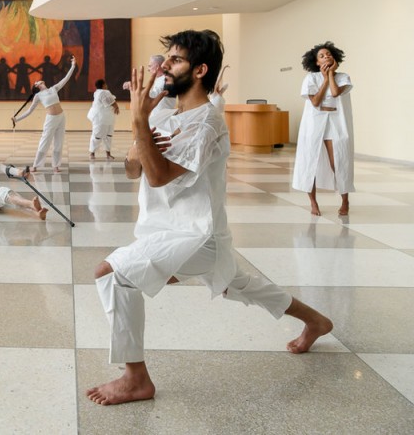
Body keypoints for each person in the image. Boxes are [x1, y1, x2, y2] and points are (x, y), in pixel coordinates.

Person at [87, 30, 333, 407]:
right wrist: (144, 128)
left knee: (113, 274)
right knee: (239, 285)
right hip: (171, 229)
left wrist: (139, 122)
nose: (165, 65)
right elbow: (133, 169)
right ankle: (315, 321)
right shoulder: (168, 112)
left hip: (196, 236)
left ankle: (135, 379)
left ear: (200, 70)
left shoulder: (206, 123)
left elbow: (156, 175)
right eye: (166, 58)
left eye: (176, 60)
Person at [292, 42, 354, 216]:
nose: (326, 56)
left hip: (336, 123)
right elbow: (316, 102)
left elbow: (335, 93)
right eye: (322, 56)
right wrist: (324, 79)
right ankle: (313, 202)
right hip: (314, 124)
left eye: (328, 54)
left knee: (339, 162)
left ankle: (345, 201)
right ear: (316, 62)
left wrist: (331, 75)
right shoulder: (311, 78)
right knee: (310, 162)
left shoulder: (343, 77)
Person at [11, 55, 77, 173]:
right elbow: (29, 110)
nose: (39, 80)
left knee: (59, 142)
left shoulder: (53, 89)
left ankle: (56, 165)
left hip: (61, 117)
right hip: (51, 119)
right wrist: (17, 119)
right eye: (37, 82)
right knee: (45, 141)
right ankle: (36, 166)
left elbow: (66, 78)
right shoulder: (38, 96)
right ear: (37, 86)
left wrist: (73, 65)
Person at [87, 79, 120, 160]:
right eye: (105, 84)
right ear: (103, 85)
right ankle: (92, 153)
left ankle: (108, 154)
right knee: (97, 135)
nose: (106, 85)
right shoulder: (103, 92)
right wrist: (117, 107)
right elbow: (110, 101)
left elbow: (109, 100)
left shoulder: (97, 92)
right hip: (100, 119)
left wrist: (115, 106)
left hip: (107, 118)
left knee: (108, 136)